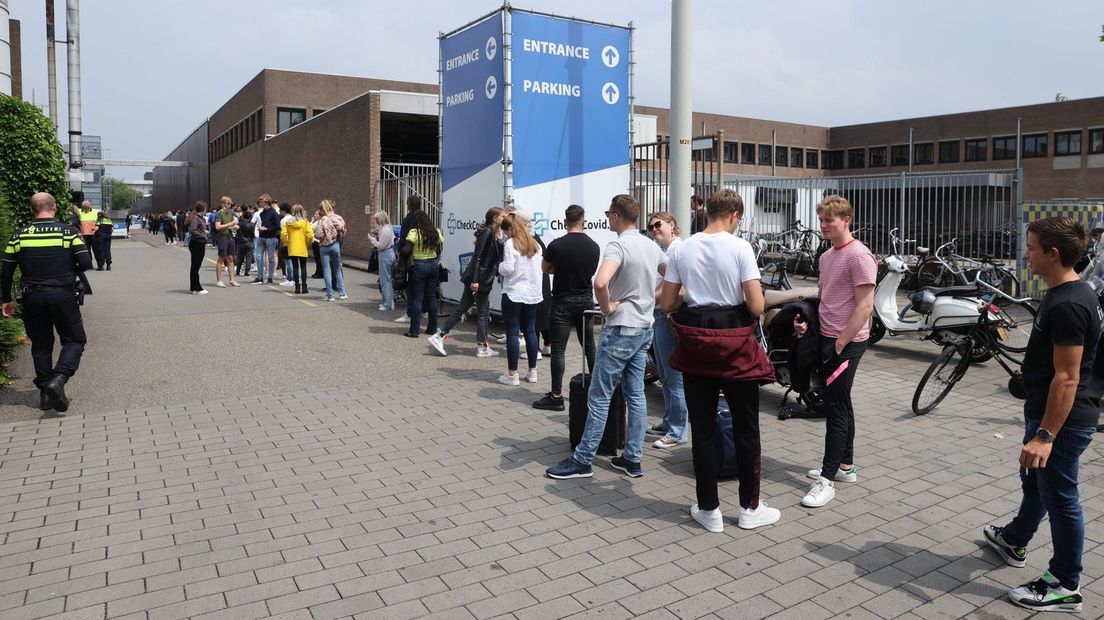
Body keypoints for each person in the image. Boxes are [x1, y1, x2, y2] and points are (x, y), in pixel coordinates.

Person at [983, 217, 1101, 613]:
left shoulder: (1069, 302)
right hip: (1047, 412)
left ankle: (1065, 583)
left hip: (1062, 422)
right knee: (1036, 483)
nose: (1026, 254)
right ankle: (1014, 539)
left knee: (1062, 497)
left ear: (1053, 254)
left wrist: (1045, 436)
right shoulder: (1063, 292)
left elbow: (1067, 379)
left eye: (1031, 247)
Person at [659, 190, 780, 532]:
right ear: (734, 215)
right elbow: (756, 307)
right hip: (736, 347)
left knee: (703, 429)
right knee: (746, 428)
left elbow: (668, 303)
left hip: (698, 347)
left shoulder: (682, 248)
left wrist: (697, 296)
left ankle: (709, 510)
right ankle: (749, 508)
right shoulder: (740, 247)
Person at [546, 194, 665, 480]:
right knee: (636, 394)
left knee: (599, 396)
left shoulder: (618, 245)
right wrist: (651, 299)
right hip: (643, 328)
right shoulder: (651, 246)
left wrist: (607, 306)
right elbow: (673, 276)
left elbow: (599, 282)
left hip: (621, 327)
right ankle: (632, 459)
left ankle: (583, 459)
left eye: (609, 215)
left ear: (615, 216)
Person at [794, 195, 877, 509]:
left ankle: (826, 481)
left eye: (830, 220)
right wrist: (807, 326)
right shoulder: (827, 256)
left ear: (847, 221)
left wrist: (841, 342)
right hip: (827, 337)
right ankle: (846, 467)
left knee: (835, 409)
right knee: (840, 401)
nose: (824, 225)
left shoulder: (860, 256)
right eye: (822, 220)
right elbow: (825, 297)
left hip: (848, 342)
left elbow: (865, 306)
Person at [1, 192, 92, 412]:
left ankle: (45, 394)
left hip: (31, 296)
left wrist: (6, 300)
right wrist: (68, 271)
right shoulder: (68, 232)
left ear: (32, 210)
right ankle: (58, 379)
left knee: (41, 345)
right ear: (54, 207)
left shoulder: (19, 235)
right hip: (62, 294)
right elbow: (86, 262)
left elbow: (6, 271)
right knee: (74, 340)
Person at [532, 205, 599, 411]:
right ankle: (597, 392)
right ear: (583, 221)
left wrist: (559, 269)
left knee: (559, 349)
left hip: (562, 301)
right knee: (589, 346)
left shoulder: (556, 245)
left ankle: (556, 396)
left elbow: (545, 269)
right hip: (586, 301)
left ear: (565, 221)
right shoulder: (594, 246)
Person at [429, 207, 504, 358]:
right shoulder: (487, 232)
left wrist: (500, 238)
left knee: (463, 308)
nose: (505, 218)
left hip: (479, 278)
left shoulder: (492, 233)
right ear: (495, 218)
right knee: (483, 312)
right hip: (479, 279)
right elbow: (477, 257)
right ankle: (482, 347)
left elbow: (497, 255)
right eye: (503, 216)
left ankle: (440, 335)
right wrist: (476, 280)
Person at [646, 212, 689, 449]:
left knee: (674, 376)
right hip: (659, 314)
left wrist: (645, 299)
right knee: (663, 373)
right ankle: (669, 422)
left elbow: (672, 286)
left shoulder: (678, 251)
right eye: (651, 226)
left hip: (667, 315)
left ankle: (678, 431)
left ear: (672, 225)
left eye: (658, 224)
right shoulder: (664, 252)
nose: (654, 229)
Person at [497, 212, 543, 385]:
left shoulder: (510, 244)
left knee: (513, 334)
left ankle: (512, 375)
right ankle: (532, 372)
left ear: (510, 228)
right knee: (530, 331)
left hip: (514, 292)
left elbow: (508, 268)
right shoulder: (535, 244)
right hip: (533, 293)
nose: (506, 235)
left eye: (506, 231)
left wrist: (499, 266)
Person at [400, 210, 442, 338]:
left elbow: (406, 250)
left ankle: (414, 331)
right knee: (431, 298)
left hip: (418, 266)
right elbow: (439, 249)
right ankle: (432, 329)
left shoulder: (414, 232)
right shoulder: (436, 231)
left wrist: (401, 249)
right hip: (433, 265)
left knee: (416, 299)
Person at [315, 200, 347, 301]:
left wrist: (322, 238)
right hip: (336, 245)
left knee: (326, 271)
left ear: (322, 209)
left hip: (324, 247)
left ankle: (330, 294)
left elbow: (318, 234)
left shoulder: (323, 219)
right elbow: (343, 231)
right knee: (337, 269)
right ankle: (342, 293)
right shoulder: (338, 217)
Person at [280, 204, 314, 295]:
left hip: (292, 247)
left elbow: (283, 234)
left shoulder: (288, 222)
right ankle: (304, 287)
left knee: (295, 267)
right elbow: (310, 235)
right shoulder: (305, 222)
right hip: (302, 246)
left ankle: (297, 287)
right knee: (303, 267)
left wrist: (286, 242)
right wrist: (307, 243)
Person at [369, 211, 397, 311]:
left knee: (385, 280)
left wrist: (372, 239)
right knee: (386, 280)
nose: (376, 222)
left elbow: (380, 246)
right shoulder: (387, 228)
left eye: (376, 220)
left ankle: (388, 304)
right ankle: (387, 302)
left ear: (380, 219)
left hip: (385, 254)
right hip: (388, 253)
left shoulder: (385, 230)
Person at [213, 196, 240, 288]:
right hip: (222, 238)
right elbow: (217, 227)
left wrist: (235, 226)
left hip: (230, 237)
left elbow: (236, 224)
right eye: (228, 203)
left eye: (230, 203)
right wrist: (231, 224)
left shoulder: (231, 212)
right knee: (221, 258)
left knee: (230, 258)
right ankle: (219, 280)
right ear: (223, 204)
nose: (230, 205)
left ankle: (232, 280)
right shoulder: (219, 213)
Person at [254, 195, 281, 284]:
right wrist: (260, 228)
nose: (260, 203)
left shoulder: (273, 213)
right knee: (259, 257)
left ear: (266, 202)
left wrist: (267, 229)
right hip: (261, 237)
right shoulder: (261, 213)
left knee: (271, 258)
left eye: (261, 202)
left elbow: (278, 227)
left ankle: (270, 277)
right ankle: (260, 277)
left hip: (271, 238)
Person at [187, 202, 210, 295]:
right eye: (205, 208)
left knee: (196, 266)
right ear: (202, 209)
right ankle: (196, 288)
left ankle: (195, 287)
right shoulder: (196, 217)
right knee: (195, 266)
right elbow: (193, 230)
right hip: (196, 243)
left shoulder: (200, 218)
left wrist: (204, 231)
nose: (206, 210)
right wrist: (203, 235)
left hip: (199, 243)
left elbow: (198, 229)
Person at [277, 203, 296, 286]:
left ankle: (290, 279)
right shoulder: (294, 218)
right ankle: (294, 278)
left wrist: (283, 242)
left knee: (289, 261)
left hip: (287, 242)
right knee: (294, 261)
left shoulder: (283, 220)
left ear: (283, 211)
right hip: (295, 241)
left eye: (280, 210)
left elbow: (283, 232)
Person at [234, 206, 255, 278]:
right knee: (248, 257)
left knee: (240, 257)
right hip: (249, 242)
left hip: (241, 242)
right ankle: (247, 272)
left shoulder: (240, 224)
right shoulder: (251, 225)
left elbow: (237, 231)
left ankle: (237, 271)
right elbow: (253, 234)